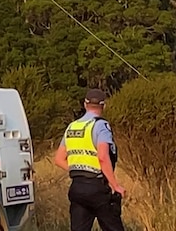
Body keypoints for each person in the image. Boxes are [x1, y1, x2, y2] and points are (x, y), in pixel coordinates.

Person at [53, 88, 126, 231]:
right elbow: (103, 157)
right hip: (97, 187)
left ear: (85, 104)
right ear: (104, 106)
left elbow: (59, 159)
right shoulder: (100, 126)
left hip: (77, 187)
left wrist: (78, 168)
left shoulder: (72, 127)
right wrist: (115, 185)